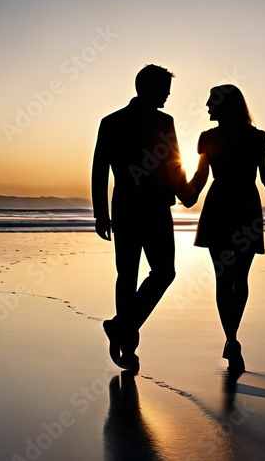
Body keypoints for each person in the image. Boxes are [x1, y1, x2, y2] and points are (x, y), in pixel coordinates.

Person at [92, 64, 196, 371]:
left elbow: (100, 170)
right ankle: (126, 338)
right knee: (161, 272)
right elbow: (173, 165)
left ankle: (123, 330)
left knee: (130, 276)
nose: (167, 96)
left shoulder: (112, 121)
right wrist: (187, 193)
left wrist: (101, 213)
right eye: (164, 90)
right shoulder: (160, 122)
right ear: (148, 88)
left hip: (126, 206)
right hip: (150, 207)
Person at [191, 84, 265, 375]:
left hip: (220, 206)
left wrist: (187, 195)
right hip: (245, 205)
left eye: (212, 102)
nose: (207, 107)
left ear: (224, 105)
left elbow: (200, 177)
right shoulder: (256, 137)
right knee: (238, 279)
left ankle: (231, 339)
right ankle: (232, 339)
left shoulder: (210, 137)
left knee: (225, 278)